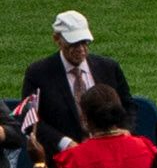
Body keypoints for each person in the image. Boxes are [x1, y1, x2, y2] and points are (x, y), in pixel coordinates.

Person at [21, 9, 130, 149]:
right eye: (73, 44)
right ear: (57, 39)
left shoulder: (109, 68)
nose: (81, 49)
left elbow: (128, 106)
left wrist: (125, 130)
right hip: (62, 158)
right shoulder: (38, 74)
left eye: (85, 42)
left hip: (110, 151)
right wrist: (65, 143)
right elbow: (30, 120)